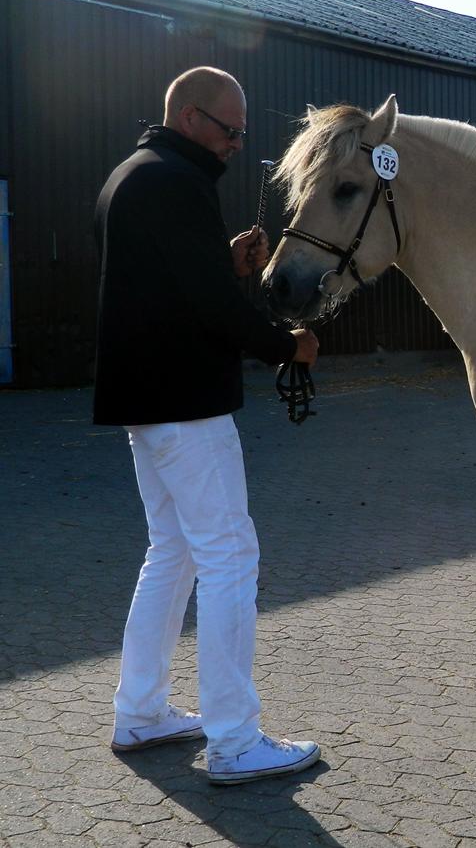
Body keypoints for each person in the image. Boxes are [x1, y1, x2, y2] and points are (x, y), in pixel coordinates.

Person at [93, 66, 322, 784]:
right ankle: (234, 740)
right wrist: (289, 345)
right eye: (229, 130)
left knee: (173, 552)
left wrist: (224, 264)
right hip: (187, 403)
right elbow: (209, 311)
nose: (235, 144)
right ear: (192, 117)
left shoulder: (131, 175)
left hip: (146, 402)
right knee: (229, 556)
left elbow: (170, 283)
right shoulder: (176, 185)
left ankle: (142, 711)